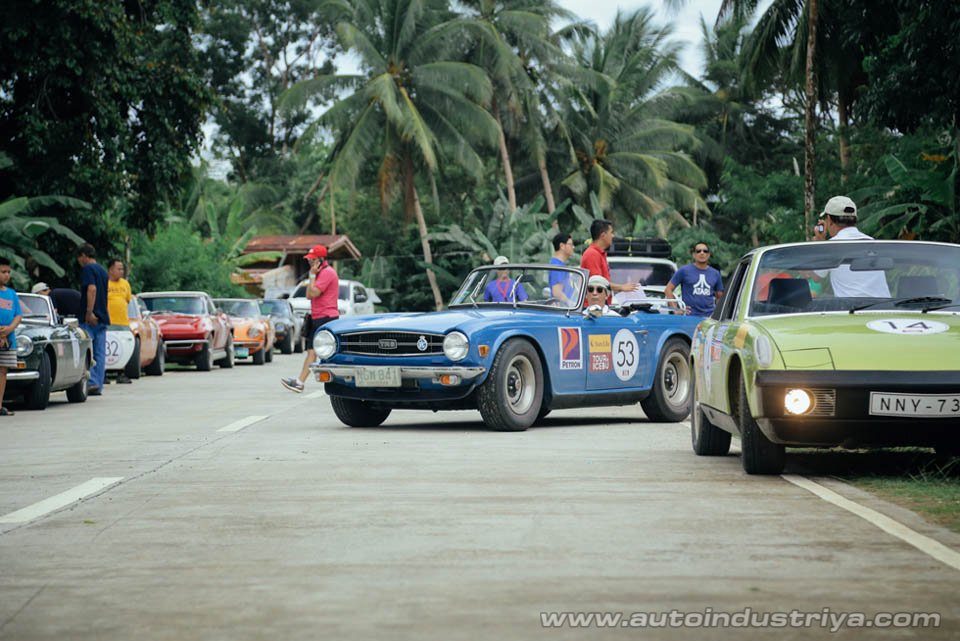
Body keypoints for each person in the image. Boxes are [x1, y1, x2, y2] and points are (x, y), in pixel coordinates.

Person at [282, 244, 339, 393]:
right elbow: (308, 295)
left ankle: (304, 382)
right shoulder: (318, 274)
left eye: (312, 260)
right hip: (317, 317)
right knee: (312, 352)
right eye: (309, 260)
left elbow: (314, 293)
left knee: (325, 353)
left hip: (326, 318)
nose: (309, 263)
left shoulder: (327, 273)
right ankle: (300, 382)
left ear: (320, 260)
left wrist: (312, 276)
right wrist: (312, 275)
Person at [811, 195, 891, 298]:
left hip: (851, 309)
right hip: (884, 308)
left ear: (829, 220)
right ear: (856, 218)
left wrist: (820, 242)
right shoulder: (872, 242)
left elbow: (816, 278)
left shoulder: (831, 246)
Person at [579, 219, 643, 303]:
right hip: (594, 307)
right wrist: (621, 287)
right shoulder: (592, 254)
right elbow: (598, 283)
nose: (612, 236)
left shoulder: (599, 254)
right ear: (603, 235)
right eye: (611, 232)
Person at [77, 243, 110, 396]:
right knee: (99, 352)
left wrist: (89, 312)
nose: (79, 261)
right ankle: (97, 383)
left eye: (79, 257)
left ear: (84, 255)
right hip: (103, 315)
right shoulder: (103, 271)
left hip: (91, 317)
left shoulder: (88, 269)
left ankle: (90, 383)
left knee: (87, 351)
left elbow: (92, 289)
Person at [665, 241, 723, 317]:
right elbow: (668, 289)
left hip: (709, 318)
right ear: (694, 255)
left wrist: (718, 314)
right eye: (698, 251)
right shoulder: (684, 270)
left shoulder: (715, 273)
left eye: (705, 251)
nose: (702, 253)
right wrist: (676, 310)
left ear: (708, 255)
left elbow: (720, 297)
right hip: (689, 316)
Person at [0, 257, 23, 416]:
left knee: (2, 372)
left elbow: (18, 316)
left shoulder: (11, 294)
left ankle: (0, 405)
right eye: (3, 272)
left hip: (9, 339)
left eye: (8, 272)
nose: (6, 275)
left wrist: (7, 331)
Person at [107, 259, 134, 384]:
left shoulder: (125, 284)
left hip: (122, 322)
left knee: (123, 348)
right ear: (111, 270)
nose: (121, 272)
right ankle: (104, 374)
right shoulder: (105, 283)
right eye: (119, 269)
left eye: (122, 269)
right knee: (106, 348)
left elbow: (128, 300)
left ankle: (121, 374)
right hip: (108, 322)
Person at [548, 233, 576, 304]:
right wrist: (571, 303)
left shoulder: (560, 264)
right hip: (565, 310)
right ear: (562, 246)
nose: (573, 247)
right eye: (571, 244)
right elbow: (557, 293)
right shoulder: (557, 266)